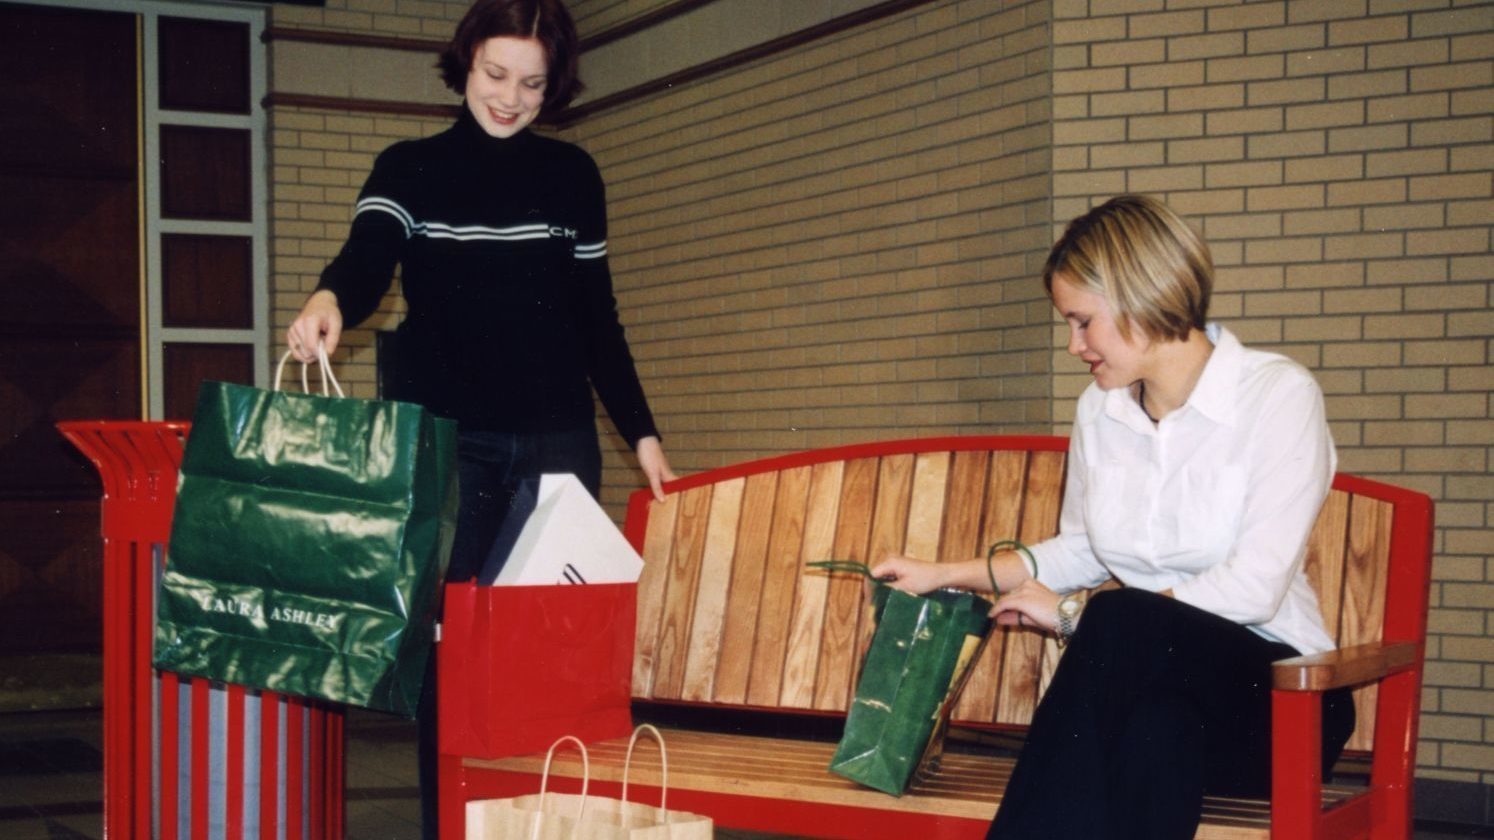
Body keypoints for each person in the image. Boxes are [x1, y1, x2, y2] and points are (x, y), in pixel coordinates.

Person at [285, 1, 674, 835]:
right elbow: (365, 260)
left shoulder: (573, 177)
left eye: (532, 84)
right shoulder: (408, 168)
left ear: (553, 87)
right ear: (464, 65)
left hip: (558, 443)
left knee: (548, 655)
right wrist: (327, 300)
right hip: (451, 446)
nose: (510, 98)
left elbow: (596, 317)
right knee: (451, 656)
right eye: (496, 75)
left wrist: (643, 434)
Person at [871, 195, 1355, 839]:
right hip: (1163, 703)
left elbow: (1254, 588)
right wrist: (944, 572)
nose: (1074, 346)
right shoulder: (1101, 412)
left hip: (1278, 701)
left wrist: (1072, 615)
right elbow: (1083, 549)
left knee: (1121, 617)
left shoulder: (1276, 394)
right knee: (1158, 735)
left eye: (1082, 322)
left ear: (1140, 295)